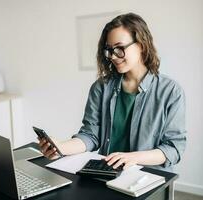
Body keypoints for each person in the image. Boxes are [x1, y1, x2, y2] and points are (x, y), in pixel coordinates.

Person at [38, 13, 186, 172]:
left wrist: (134, 157)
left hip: (148, 178)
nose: (113, 56)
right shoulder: (100, 87)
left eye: (120, 48)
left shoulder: (171, 91)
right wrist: (61, 148)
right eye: (109, 50)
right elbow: (90, 135)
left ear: (142, 45)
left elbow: (174, 148)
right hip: (107, 173)